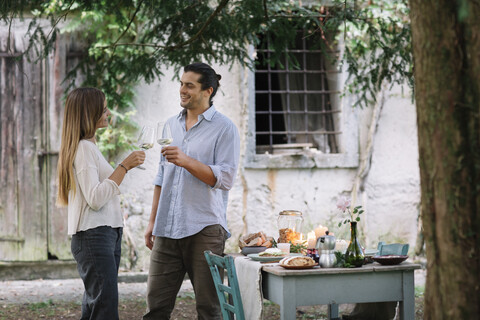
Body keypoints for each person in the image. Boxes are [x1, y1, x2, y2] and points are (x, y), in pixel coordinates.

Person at [143, 62, 240, 320]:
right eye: (181, 83)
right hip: (166, 228)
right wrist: (152, 221)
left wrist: (186, 161)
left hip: (204, 228)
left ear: (207, 90)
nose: (182, 90)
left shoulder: (225, 128)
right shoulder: (170, 125)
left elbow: (225, 178)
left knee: (210, 309)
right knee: (155, 308)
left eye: (190, 85)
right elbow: (162, 177)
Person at [56, 87, 145, 320]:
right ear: (90, 112)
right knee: (104, 309)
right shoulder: (84, 148)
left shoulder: (89, 147)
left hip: (104, 234)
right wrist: (123, 167)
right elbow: (95, 198)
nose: (108, 113)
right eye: (103, 108)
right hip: (94, 235)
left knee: (96, 307)